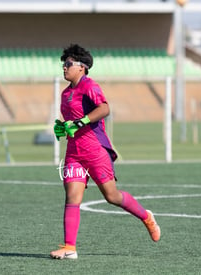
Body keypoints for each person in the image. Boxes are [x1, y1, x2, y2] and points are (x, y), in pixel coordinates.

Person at [51, 44, 160, 260]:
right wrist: (63, 127)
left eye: (68, 64)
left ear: (82, 67)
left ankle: (146, 216)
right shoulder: (65, 94)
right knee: (72, 196)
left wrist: (80, 121)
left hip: (95, 151)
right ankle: (69, 247)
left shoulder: (90, 86)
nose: (64, 68)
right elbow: (73, 122)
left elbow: (104, 109)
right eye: (63, 64)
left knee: (112, 196)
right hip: (74, 153)